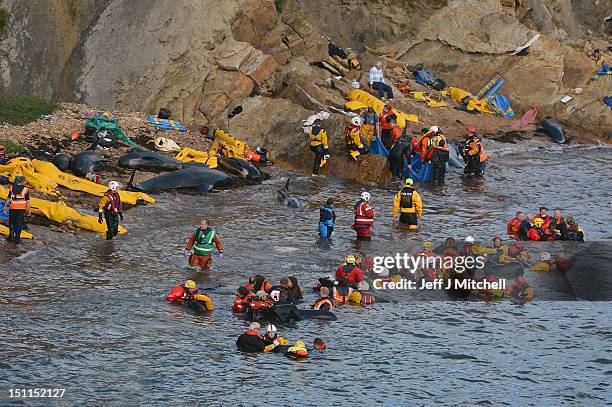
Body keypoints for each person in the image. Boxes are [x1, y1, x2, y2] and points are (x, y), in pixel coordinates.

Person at [3, 176, 31, 243]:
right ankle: (17, 238)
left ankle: (11, 237)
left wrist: (5, 206)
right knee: (19, 223)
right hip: (21, 208)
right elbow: (27, 200)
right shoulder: (26, 189)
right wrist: (29, 209)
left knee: (11, 222)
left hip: (12, 207)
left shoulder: (12, 187)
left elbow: (8, 198)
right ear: (23, 181)